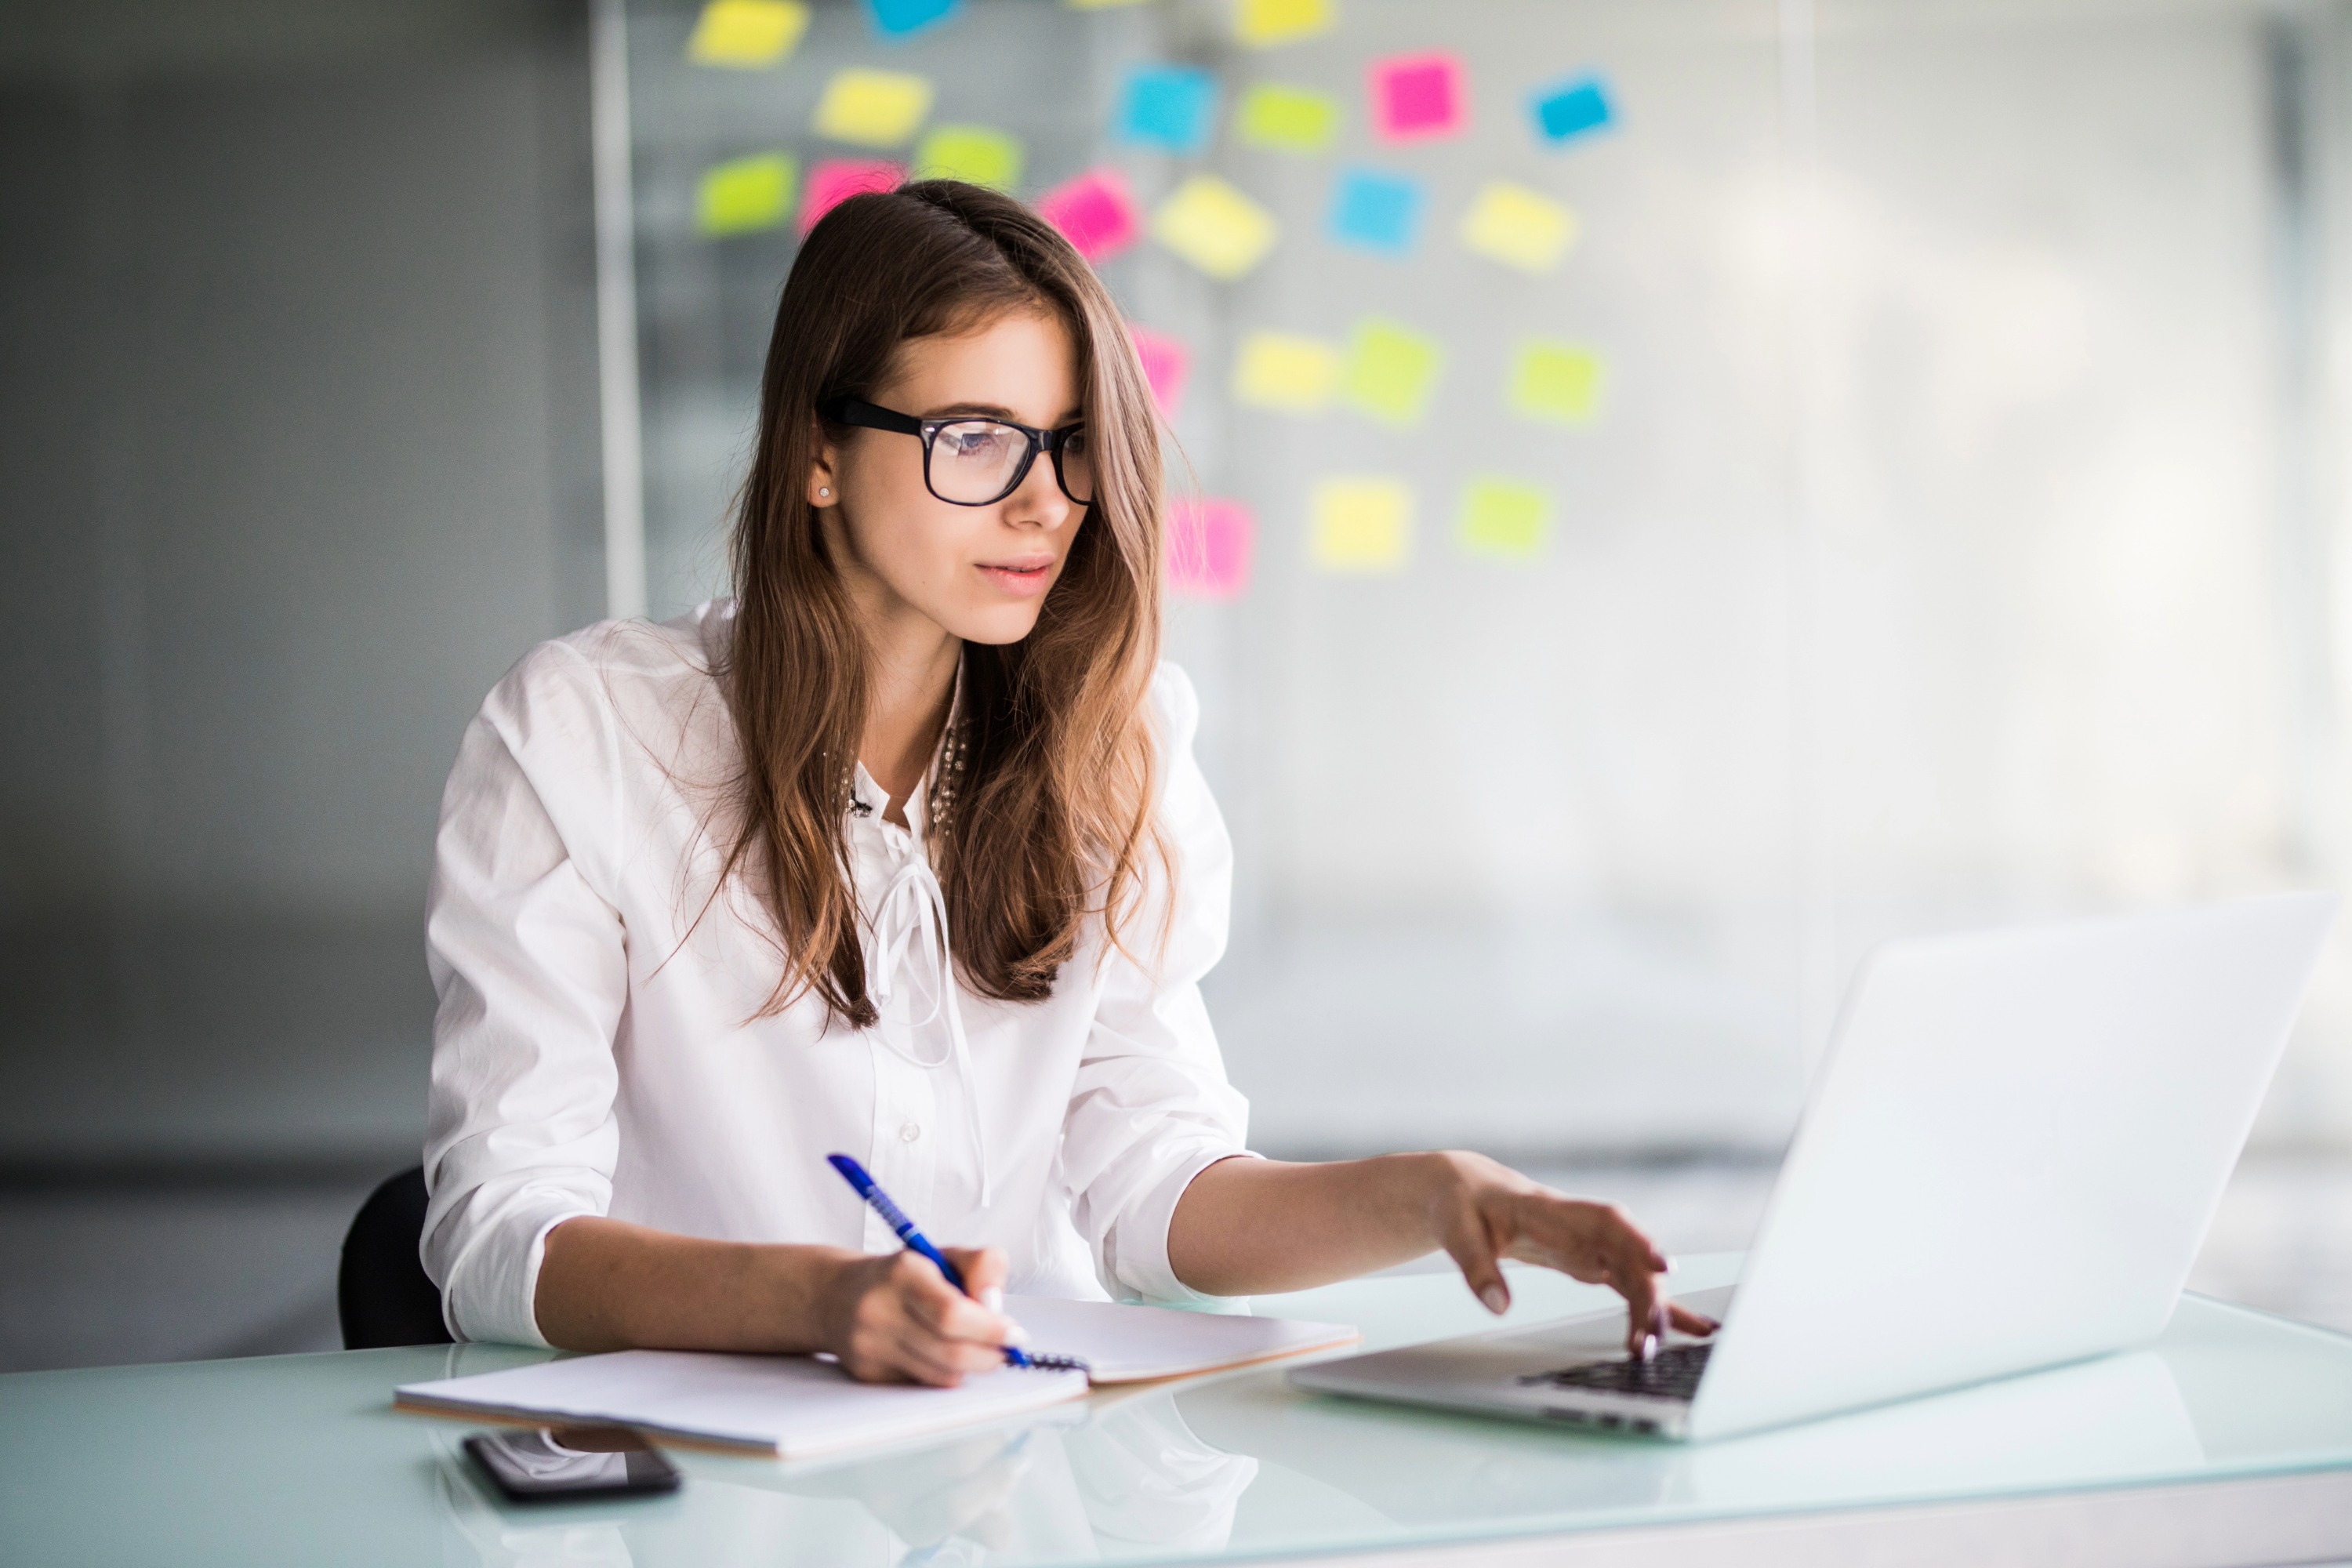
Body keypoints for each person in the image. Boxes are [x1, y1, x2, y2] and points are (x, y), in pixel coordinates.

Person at [421, 180, 1713, 1385]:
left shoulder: (1116, 736)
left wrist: (1437, 1196)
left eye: (1076, 443)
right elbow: (498, 1237)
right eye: (975, 440)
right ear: (820, 453)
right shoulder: (583, 734)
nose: (1048, 504)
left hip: (1026, 1464)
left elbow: (1161, 1194)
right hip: (700, 1487)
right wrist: (823, 1304)